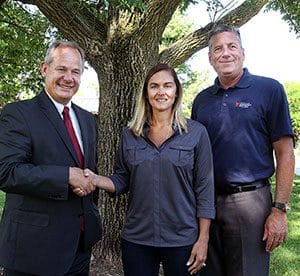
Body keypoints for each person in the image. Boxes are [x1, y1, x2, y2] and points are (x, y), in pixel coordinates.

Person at [82, 63, 215, 276]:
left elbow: (205, 190)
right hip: (138, 239)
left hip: (182, 238)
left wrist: (203, 239)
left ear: (176, 91)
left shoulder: (196, 133)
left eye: (167, 86)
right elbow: (121, 179)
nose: (161, 92)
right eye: (154, 86)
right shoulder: (129, 134)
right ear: (146, 93)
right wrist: (96, 179)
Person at [191, 24, 295, 276]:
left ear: (243, 53)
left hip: (250, 202)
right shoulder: (202, 101)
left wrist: (279, 210)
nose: (225, 53)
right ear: (210, 58)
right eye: (218, 49)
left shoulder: (269, 90)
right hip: (207, 203)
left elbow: (285, 153)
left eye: (231, 46)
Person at [0, 40, 102, 275]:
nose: (69, 78)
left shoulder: (87, 120)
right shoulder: (18, 114)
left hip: (79, 248)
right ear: (44, 69)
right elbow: (7, 172)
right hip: (34, 251)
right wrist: (66, 176)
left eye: (75, 71)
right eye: (62, 69)